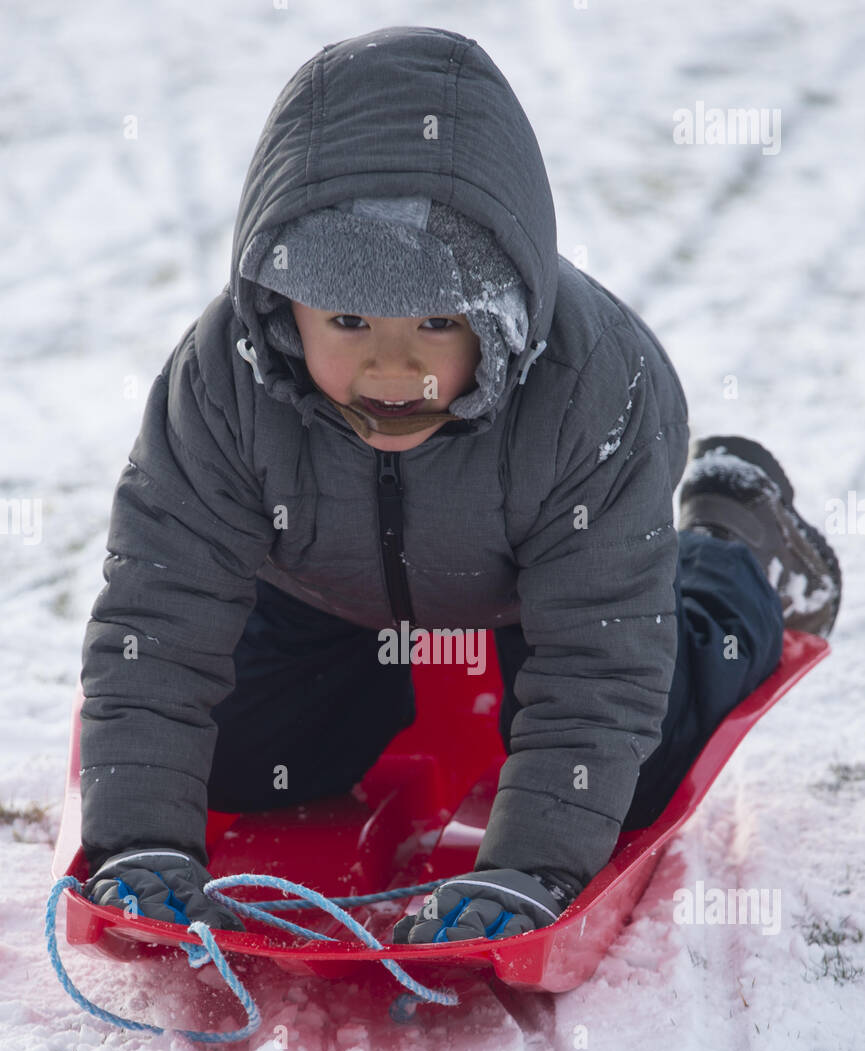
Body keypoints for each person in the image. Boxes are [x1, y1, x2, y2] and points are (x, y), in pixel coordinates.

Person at [82, 26, 841, 945]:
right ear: (282, 305)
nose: (392, 369)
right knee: (239, 764)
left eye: (438, 321)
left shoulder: (592, 387)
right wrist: (140, 842)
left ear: (505, 305)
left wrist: (529, 869)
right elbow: (160, 618)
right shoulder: (223, 381)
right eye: (349, 320)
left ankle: (730, 541)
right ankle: (374, 688)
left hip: (540, 596)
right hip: (321, 592)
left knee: (632, 775)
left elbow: (599, 672)